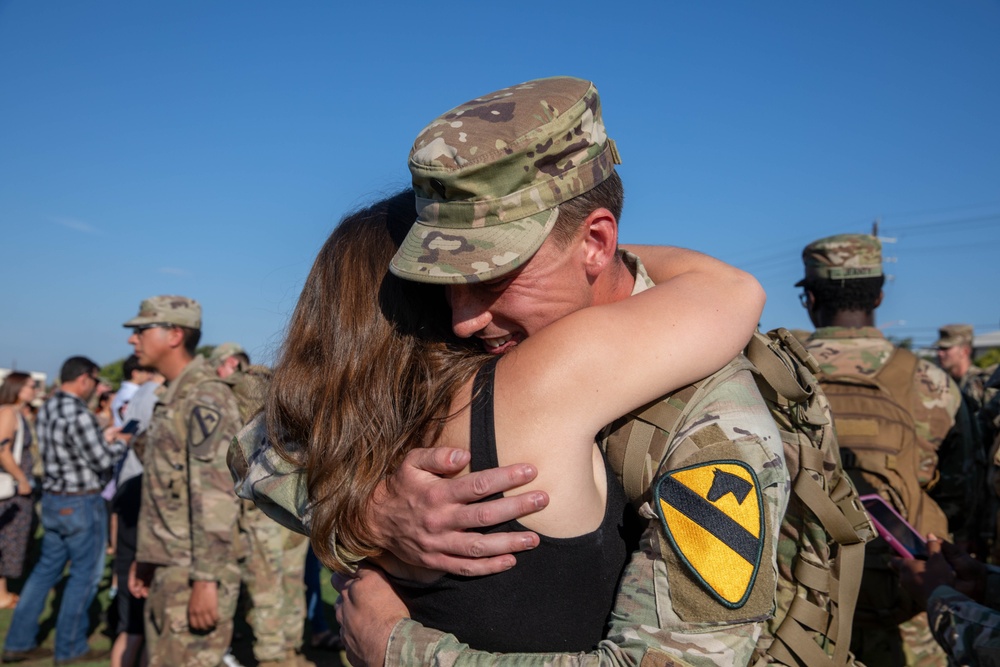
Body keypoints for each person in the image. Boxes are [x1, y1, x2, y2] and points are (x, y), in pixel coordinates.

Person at [236, 76, 784, 666]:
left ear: (596, 243)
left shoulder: (712, 419)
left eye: (493, 278)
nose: (465, 320)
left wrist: (397, 648)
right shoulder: (486, 336)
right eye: (444, 283)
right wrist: (367, 511)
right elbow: (260, 444)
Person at [798, 234, 975, 666]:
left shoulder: (778, 372)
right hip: (908, 611)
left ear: (811, 297)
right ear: (879, 295)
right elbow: (961, 498)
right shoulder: (932, 384)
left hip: (799, 614)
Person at [122, 296, 243, 667]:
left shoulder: (204, 397)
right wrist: (148, 555)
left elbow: (216, 498)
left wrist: (206, 581)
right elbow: (167, 488)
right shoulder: (173, 397)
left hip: (193, 573)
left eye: (142, 329)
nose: (132, 339)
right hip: (169, 566)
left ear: (175, 334)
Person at [2, 357, 126, 665]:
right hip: (81, 501)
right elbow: (101, 460)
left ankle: (18, 642)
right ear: (84, 379)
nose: (97, 388)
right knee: (85, 575)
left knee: (45, 571)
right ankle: (69, 648)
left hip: (56, 499)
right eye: (95, 381)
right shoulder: (77, 412)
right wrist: (121, 442)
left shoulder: (49, 407)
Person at [212, 343, 310, 667]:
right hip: (296, 499)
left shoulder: (237, 389)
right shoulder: (281, 383)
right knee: (292, 581)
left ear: (229, 364)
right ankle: (291, 648)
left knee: (267, 583)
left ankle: (272, 656)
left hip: (262, 506)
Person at [110, 369, 164, 667]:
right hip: (144, 569)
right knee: (148, 637)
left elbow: (117, 523)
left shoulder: (128, 487)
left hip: (125, 561)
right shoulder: (154, 493)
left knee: (128, 632)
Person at [0, 373, 37, 610]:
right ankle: (1, 595)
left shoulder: (11, 412)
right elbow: (2, 449)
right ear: (18, 388)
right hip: (10, 489)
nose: (34, 391)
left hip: (13, 486)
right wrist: (21, 479)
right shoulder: (8, 412)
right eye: (31, 387)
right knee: (6, 539)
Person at [935, 324, 991, 413]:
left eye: (945, 348)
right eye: (939, 348)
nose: (939, 353)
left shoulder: (983, 383)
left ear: (965, 351)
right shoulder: (940, 384)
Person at [111, 355, 154, 428]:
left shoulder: (121, 393)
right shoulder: (134, 395)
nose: (150, 376)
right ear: (135, 374)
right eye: (148, 371)